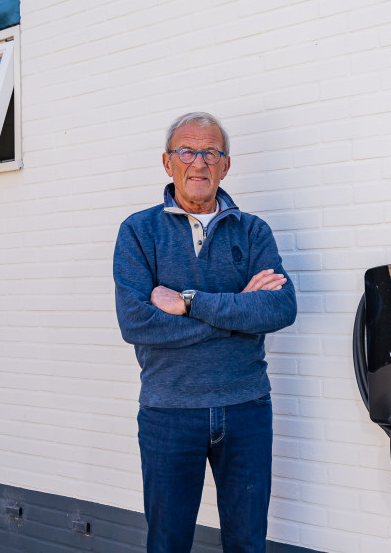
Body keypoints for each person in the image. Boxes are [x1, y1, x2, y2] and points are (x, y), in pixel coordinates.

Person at [113, 112, 297, 552]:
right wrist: (237, 314)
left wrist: (189, 303)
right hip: (169, 411)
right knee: (168, 542)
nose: (199, 163)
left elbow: (280, 308)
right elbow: (136, 322)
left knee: (247, 543)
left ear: (225, 165)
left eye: (211, 153)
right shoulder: (139, 231)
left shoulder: (253, 231)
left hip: (246, 408)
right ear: (167, 162)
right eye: (187, 152)